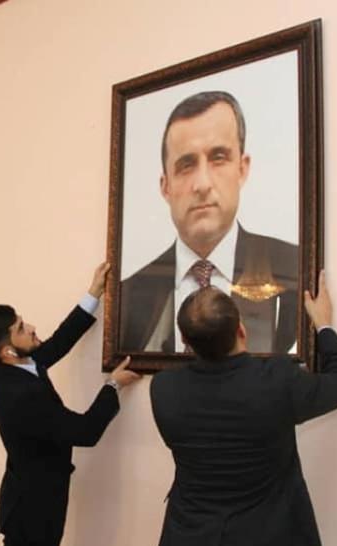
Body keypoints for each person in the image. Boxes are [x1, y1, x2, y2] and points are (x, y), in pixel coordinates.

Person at [149, 272, 337, 546]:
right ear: (241, 330)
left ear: (184, 341)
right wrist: (323, 325)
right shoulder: (277, 381)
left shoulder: (163, 389)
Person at [0, 263, 142, 546]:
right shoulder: (22, 395)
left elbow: (53, 346)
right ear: (7, 350)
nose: (30, 327)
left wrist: (92, 293)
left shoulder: (2, 370)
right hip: (34, 511)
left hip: (28, 501)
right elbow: (84, 431)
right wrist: (113, 387)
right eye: (20, 328)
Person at [120, 90, 298, 354]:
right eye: (186, 165)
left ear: (242, 168)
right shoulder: (131, 292)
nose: (202, 184)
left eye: (218, 158)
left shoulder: (293, 267)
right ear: (165, 186)